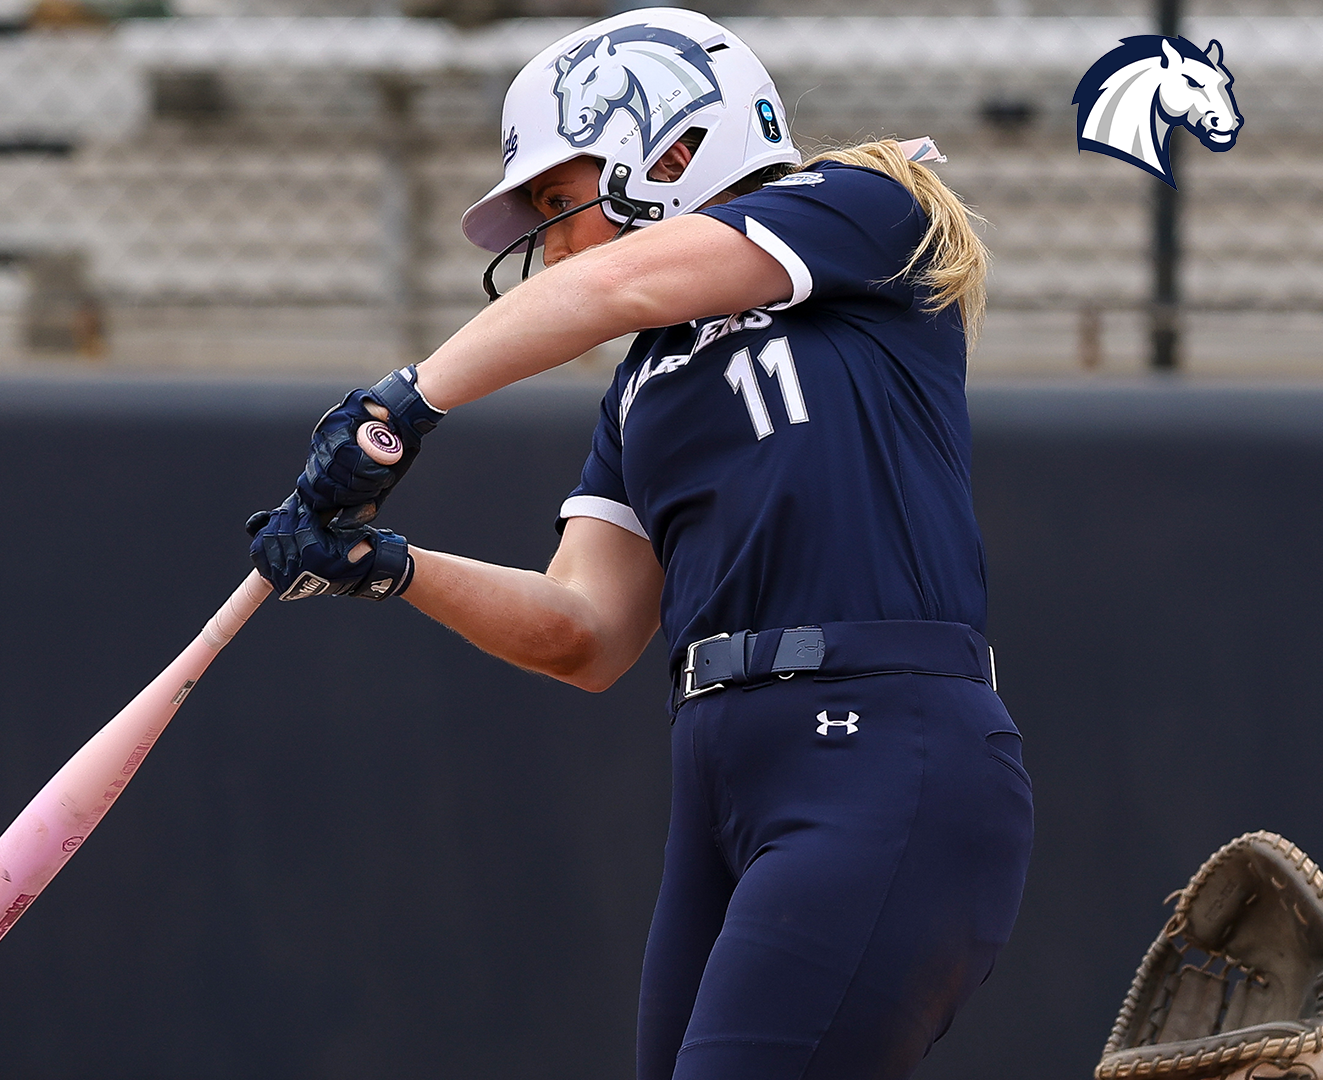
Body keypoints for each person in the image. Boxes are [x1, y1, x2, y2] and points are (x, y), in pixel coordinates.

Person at [245, 8, 1034, 1080]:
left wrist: (400, 406)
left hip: (881, 746)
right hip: (724, 777)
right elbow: (584, 632)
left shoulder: (861, 209)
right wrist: (392, 568)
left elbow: (611, 283)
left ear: (670, 145)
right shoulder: (644, 389)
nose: (551, 240)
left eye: (559, 200)